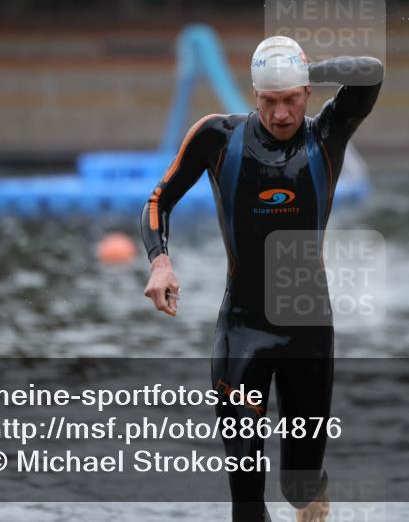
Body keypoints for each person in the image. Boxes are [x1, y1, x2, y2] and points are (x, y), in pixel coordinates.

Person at [141, 36, 382, 522]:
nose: (281, 113)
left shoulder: (328, 135)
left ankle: (313, 490)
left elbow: (371, 71)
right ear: (254, 94)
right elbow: (158, 199)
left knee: (298, 487)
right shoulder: (217, 137)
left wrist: (308, 69)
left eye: (291, 98)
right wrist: (159, 261)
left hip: (308, 331)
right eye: (269, 100)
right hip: (242, 330)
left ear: (307, 93)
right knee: (247, 500)